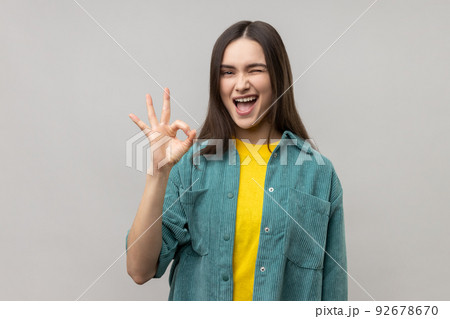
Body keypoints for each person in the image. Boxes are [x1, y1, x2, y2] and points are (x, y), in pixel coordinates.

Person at [126, 20, 347, 301]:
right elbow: (139, 270)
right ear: (217, 84)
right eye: (228, 72)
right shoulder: (192, 165)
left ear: (278, 78)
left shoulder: (319, 173)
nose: (241, 84)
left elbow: (334, 291)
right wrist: (159, 173)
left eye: (255, 70)